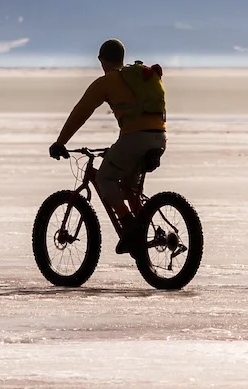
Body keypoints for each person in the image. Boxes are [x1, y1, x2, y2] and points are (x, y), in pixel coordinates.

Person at [50, 38, 166, 252]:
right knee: (129, 182)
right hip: (159, 137)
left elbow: (80, 112)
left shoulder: (107, 82)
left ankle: (129, 224)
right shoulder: (137, 77)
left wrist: (60, 142)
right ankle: (141, 226)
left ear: (102, 60)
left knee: (104, 178)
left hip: (135, 139)